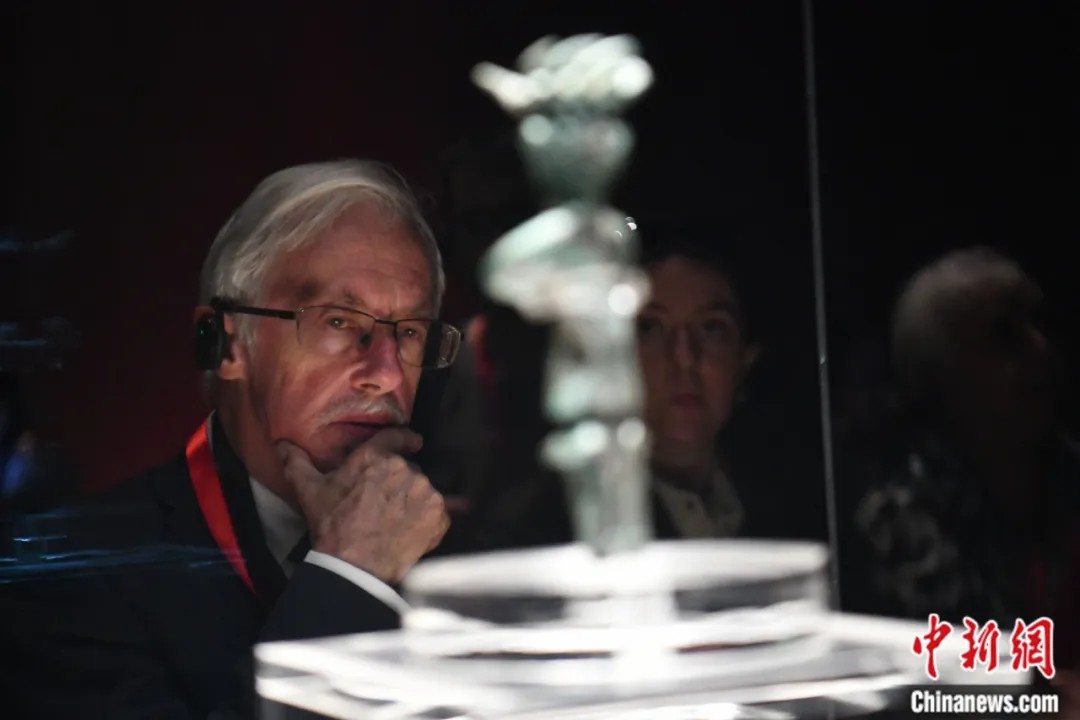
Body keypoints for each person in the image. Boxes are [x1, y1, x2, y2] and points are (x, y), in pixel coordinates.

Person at [0, 160, 462, 718]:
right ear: (226, 343)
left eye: (409, 332)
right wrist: (351, 573)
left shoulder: (463, 555)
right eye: (339, 321)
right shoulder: (69, 577)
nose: (386, 374)